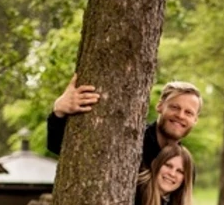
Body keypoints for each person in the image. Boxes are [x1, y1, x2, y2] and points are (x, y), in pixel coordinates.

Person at [46, 74, 202, 173]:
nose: (180, 115)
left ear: (195, 120)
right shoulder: (130, 138)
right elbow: (63, 148)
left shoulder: (184, 165)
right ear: (160, 106)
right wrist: (59, 110)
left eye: (189, 113)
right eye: (174, 107)